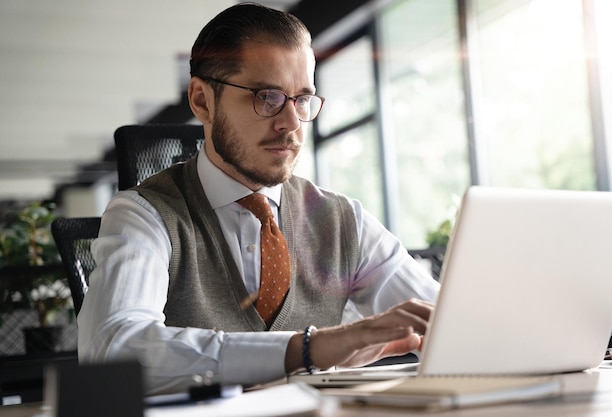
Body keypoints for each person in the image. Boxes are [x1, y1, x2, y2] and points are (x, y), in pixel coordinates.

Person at [78, 2, 440, 395]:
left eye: (302, 99)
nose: (290, 123)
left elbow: (447, 323)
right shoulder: (145, 215)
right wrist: (309, 349)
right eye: (267, 97)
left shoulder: (342, 220)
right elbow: (114, 354)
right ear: (202, 101)